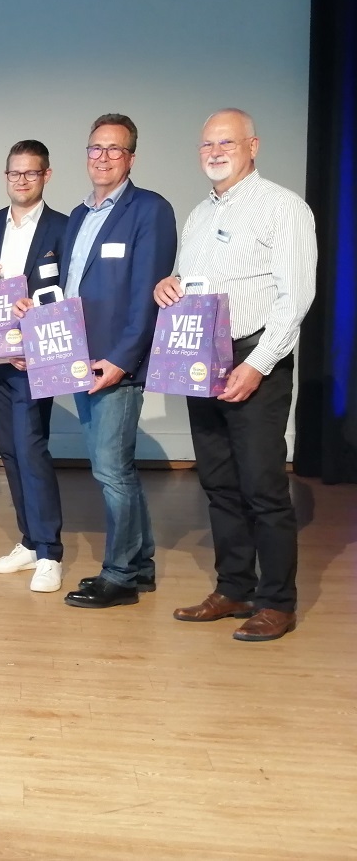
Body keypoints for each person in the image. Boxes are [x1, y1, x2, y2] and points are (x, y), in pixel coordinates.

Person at [158, 109, 317, 641]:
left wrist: (257, 363)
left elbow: (295, 300)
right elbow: (194, 278)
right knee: (219, 484)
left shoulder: (284, 207)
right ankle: (233, 588)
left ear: (254, 145)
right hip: (201, 360)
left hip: (254, 361)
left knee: (263, 488)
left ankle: (277, 602)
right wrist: (170, 285)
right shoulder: (199, 214)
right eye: (206, 143)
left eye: (226, 142)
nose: (215, 152)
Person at [18, 114, 177, 609]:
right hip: (76, 361)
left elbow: (146, 297)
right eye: (95, 148)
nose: (102, 157)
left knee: (111, 470)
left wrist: (122, 361)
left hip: (113, 364)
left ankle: (121, 575)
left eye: (114, 149)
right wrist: (36, 320)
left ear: (131, 157)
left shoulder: (149, 210)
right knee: (114, 469)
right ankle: (140, 565)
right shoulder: (80, 216)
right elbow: (66, 294)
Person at [0, 142, 68, 592]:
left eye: (30, 173)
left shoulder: (64, 228)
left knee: (31, 448)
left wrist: (36, 314)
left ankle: (50, 552)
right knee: (10, 453)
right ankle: (28, 541)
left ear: (46, 176)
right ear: (5, 177)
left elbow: (71, 293)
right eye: (14, 173)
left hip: (36, 357)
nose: (21, 181)